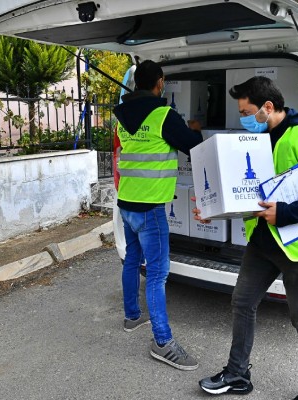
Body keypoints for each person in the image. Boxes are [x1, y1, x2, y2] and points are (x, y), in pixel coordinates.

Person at [195, 76, 298, 399]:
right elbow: (246, 195)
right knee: (243, 303)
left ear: (268, 107)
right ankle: (237, 374)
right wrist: (212, 208)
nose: (244, 119)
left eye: (247, 112)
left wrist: (286, 213)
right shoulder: (256, 143)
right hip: (263, 242)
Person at [113, 60, 203, 371]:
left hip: (126, 203)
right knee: (157, 274)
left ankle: (132, 316)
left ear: (136, 83)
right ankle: (163, 342)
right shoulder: (165, 115)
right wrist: (193, 129)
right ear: (160, 82)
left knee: (133, 259)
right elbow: (192, 145)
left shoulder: (120, 116)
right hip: (150, 209)